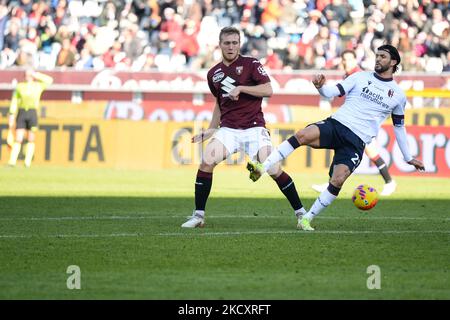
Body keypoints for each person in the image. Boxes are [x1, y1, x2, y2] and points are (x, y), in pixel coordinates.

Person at [247, 44, 425, 231]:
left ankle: (306, 218)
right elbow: (331, 93)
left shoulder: (398, 95)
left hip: (356, 141)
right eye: (377, 55)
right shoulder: (360, 76)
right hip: (337, 125)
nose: (378, 59)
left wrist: (408, 158)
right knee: (302, 135)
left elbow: (399, 127)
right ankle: (262, 167)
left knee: (338, 179)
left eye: (383, 56)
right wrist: (321, 87)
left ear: (394, 61)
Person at [181, 26, 306, 228]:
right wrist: (212, 128)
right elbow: (219, 103)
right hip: (229, 130)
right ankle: (198, 216)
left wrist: (241, 88)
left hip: (254, 128)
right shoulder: (214, 74)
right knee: (206, 162)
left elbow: (269, 89)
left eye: (234, 43)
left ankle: (302, 215)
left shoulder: (251, 64)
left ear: (239, 44)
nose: (231, 47)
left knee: (273, 168)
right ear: (220, 45)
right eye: (227, 43)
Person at [311, 49, 397, 196]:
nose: (346, 62)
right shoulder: (349, 74)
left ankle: (389, 182)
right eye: (344, 59)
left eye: (349, 59)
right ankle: (388, 182)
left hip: (363, 123)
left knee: (371, 152)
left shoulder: (358, 74)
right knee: (370, 152)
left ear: (355, 60)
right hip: (354, 122)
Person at [8, 68, 53, 168]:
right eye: (26, 74)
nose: (28, 76)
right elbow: (15, 100)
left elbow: (49, 80)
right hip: (22, 111)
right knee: (19, 137)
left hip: (32, 112)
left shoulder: (38, 86)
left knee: (31, 138)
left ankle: (27, 162)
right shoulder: (20, 86)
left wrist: (37, 74)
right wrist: (11, 113)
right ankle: (12, 161)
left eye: (29, 74)